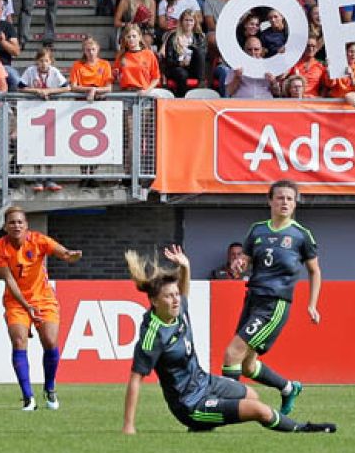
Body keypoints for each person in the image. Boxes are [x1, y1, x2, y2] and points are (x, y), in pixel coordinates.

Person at [121, 245, 336, 435]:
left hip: (205, 382)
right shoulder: (153, 335)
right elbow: (135, 379)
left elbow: (184, 290)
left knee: (252, 396)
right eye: (169, 296)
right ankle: (303, 429)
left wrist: (185, 266)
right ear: (154, 301)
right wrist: (129, 426)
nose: (176, 299)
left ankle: (203, 426)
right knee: (259, 411)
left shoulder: (178, 308)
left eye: (176, 294)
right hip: (191, 405)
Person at [221, 180, 319, 414]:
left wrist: (312, 305)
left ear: (295, 204)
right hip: (252, 299)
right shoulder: (257, 230)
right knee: (247, 365)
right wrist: (239, 265)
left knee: (232, 352)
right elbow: (245, 262)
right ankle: (288, 388)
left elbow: (314, 271)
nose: (284, 202)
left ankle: (229, 410)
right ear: (270, 201)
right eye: (280, 197)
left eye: (289, 198)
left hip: (274, 304)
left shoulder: (301, 235)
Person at [0, 206, 83, 411]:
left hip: (44, 298)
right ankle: (28, 398)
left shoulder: (38, 240)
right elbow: (9, 281)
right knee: (19, 340)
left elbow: (63, 252)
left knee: (50, 341)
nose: (16, 225)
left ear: (26, 225)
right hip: (16, 301)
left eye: (20, 222)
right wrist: (26, 306)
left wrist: (70, 255)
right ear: (5, 227)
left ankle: (49, 388)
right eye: (12, 222)